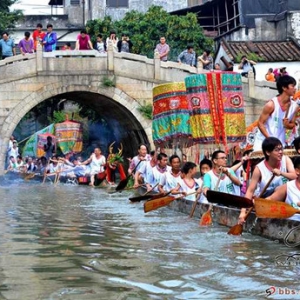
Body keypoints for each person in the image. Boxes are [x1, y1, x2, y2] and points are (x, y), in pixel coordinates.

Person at [238, 137, 297, 224]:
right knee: (281, 188)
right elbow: (250, 191)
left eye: (281, 149)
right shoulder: (259, 168)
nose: (280, 152)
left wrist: (281, 173)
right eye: (277, 150)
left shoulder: (286, 159)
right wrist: (243, 212)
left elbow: (295, 176)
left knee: (285, 188)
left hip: (286, 197)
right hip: (266, 200)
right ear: (268, 152)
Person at [253, 75, 299, 151]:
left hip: (280, 144)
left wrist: (287, 125)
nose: (295, 88)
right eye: (292, 86)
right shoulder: (271, 105)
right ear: (284, 88)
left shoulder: (295, 107)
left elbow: (292, 124)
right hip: (263, 142)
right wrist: (270, 140)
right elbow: (260, 123)